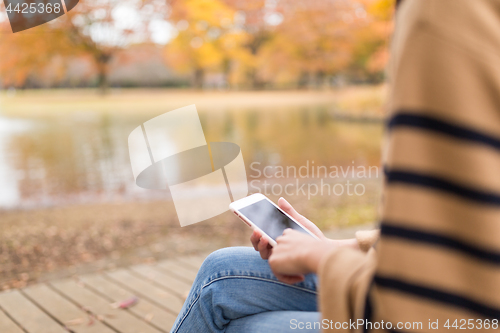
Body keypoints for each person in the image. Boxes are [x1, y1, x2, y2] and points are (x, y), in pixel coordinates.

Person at [171, 0, 500, 331]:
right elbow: (454, 227)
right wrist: (334, 246)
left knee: (250, 327)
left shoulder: (442, 15)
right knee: (220, 273)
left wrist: (320, 259)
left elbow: (431, 306)